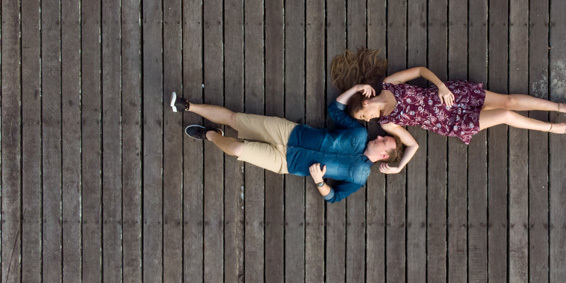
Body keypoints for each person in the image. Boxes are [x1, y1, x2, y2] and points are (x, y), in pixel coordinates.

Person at [330, 48, 566, 175]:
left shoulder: (389, 83)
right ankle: (552, 127)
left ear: (365, 103)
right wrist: (399, 167)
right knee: (505, 117)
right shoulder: (387, 123)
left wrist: (440, 86)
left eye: (365, 117)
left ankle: (560, 106)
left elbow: (420, 71)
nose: (370, 121)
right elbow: (413, 145)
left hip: (453, 96)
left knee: (507, 101)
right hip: (452, 122)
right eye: (367, 121)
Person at [170, 86, 402, 203]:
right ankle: (187, 105)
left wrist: (320, 182)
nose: (379, 137)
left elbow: (333, 197)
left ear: (384, 156)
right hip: (289, 132)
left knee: (236, 149)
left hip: (286, 162)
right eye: (384, 136)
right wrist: (355, 88)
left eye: (384, 141)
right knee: (235, 119)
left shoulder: (359, 177)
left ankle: (211, 135)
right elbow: (335, 109)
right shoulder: (359, 132)